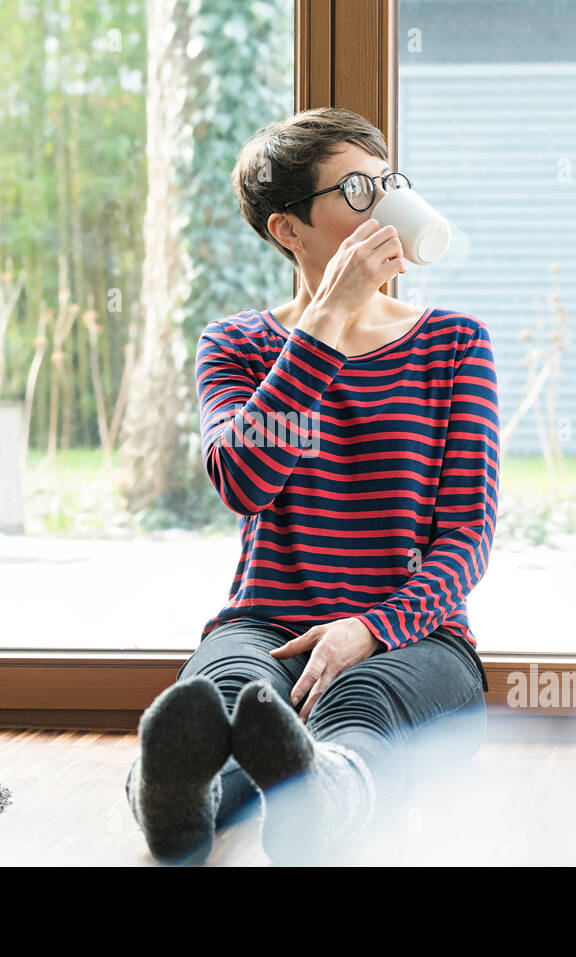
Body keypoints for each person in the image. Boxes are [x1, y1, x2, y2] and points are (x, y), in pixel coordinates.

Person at [124, 106, 500, 866]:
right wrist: (326, 318)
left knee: (360, 702)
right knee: (225, 690)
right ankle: (172, 800)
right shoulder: (237, 344)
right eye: (358, 190)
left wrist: (368, 628)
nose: (385, 204)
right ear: (288, 230)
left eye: (388, 183)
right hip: (265, 620)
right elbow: (243, 480)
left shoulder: (455, 344)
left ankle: (325, 796)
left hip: (414, 635)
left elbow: (466, 538)